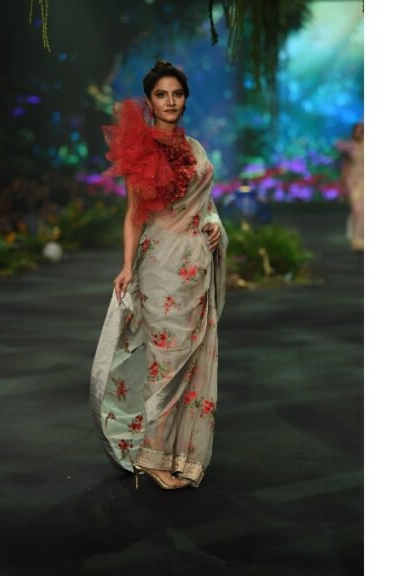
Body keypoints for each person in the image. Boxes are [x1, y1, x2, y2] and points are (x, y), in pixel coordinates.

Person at [89, 61, 228, 490]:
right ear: (149, 102)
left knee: (192, 360)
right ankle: (151, 455)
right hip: (161, 267)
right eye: (162, 95)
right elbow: (134, 214)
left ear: (185, 98)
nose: (171, 102)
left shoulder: (196, 149)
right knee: (166, 362)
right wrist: (126, 265)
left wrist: (213, 224)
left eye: (177, 94)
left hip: (195, 266)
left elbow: (206, 205)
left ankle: (179, 454)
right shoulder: (141, 149)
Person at [340, 121, 364, 251]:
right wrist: (344, 184)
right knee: (357, 210)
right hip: (354, 182)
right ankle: (356, 239)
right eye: (357, 130)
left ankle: (361, 238)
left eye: (362, 130)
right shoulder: (350, 147)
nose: (359, 132)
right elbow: (346, 166)